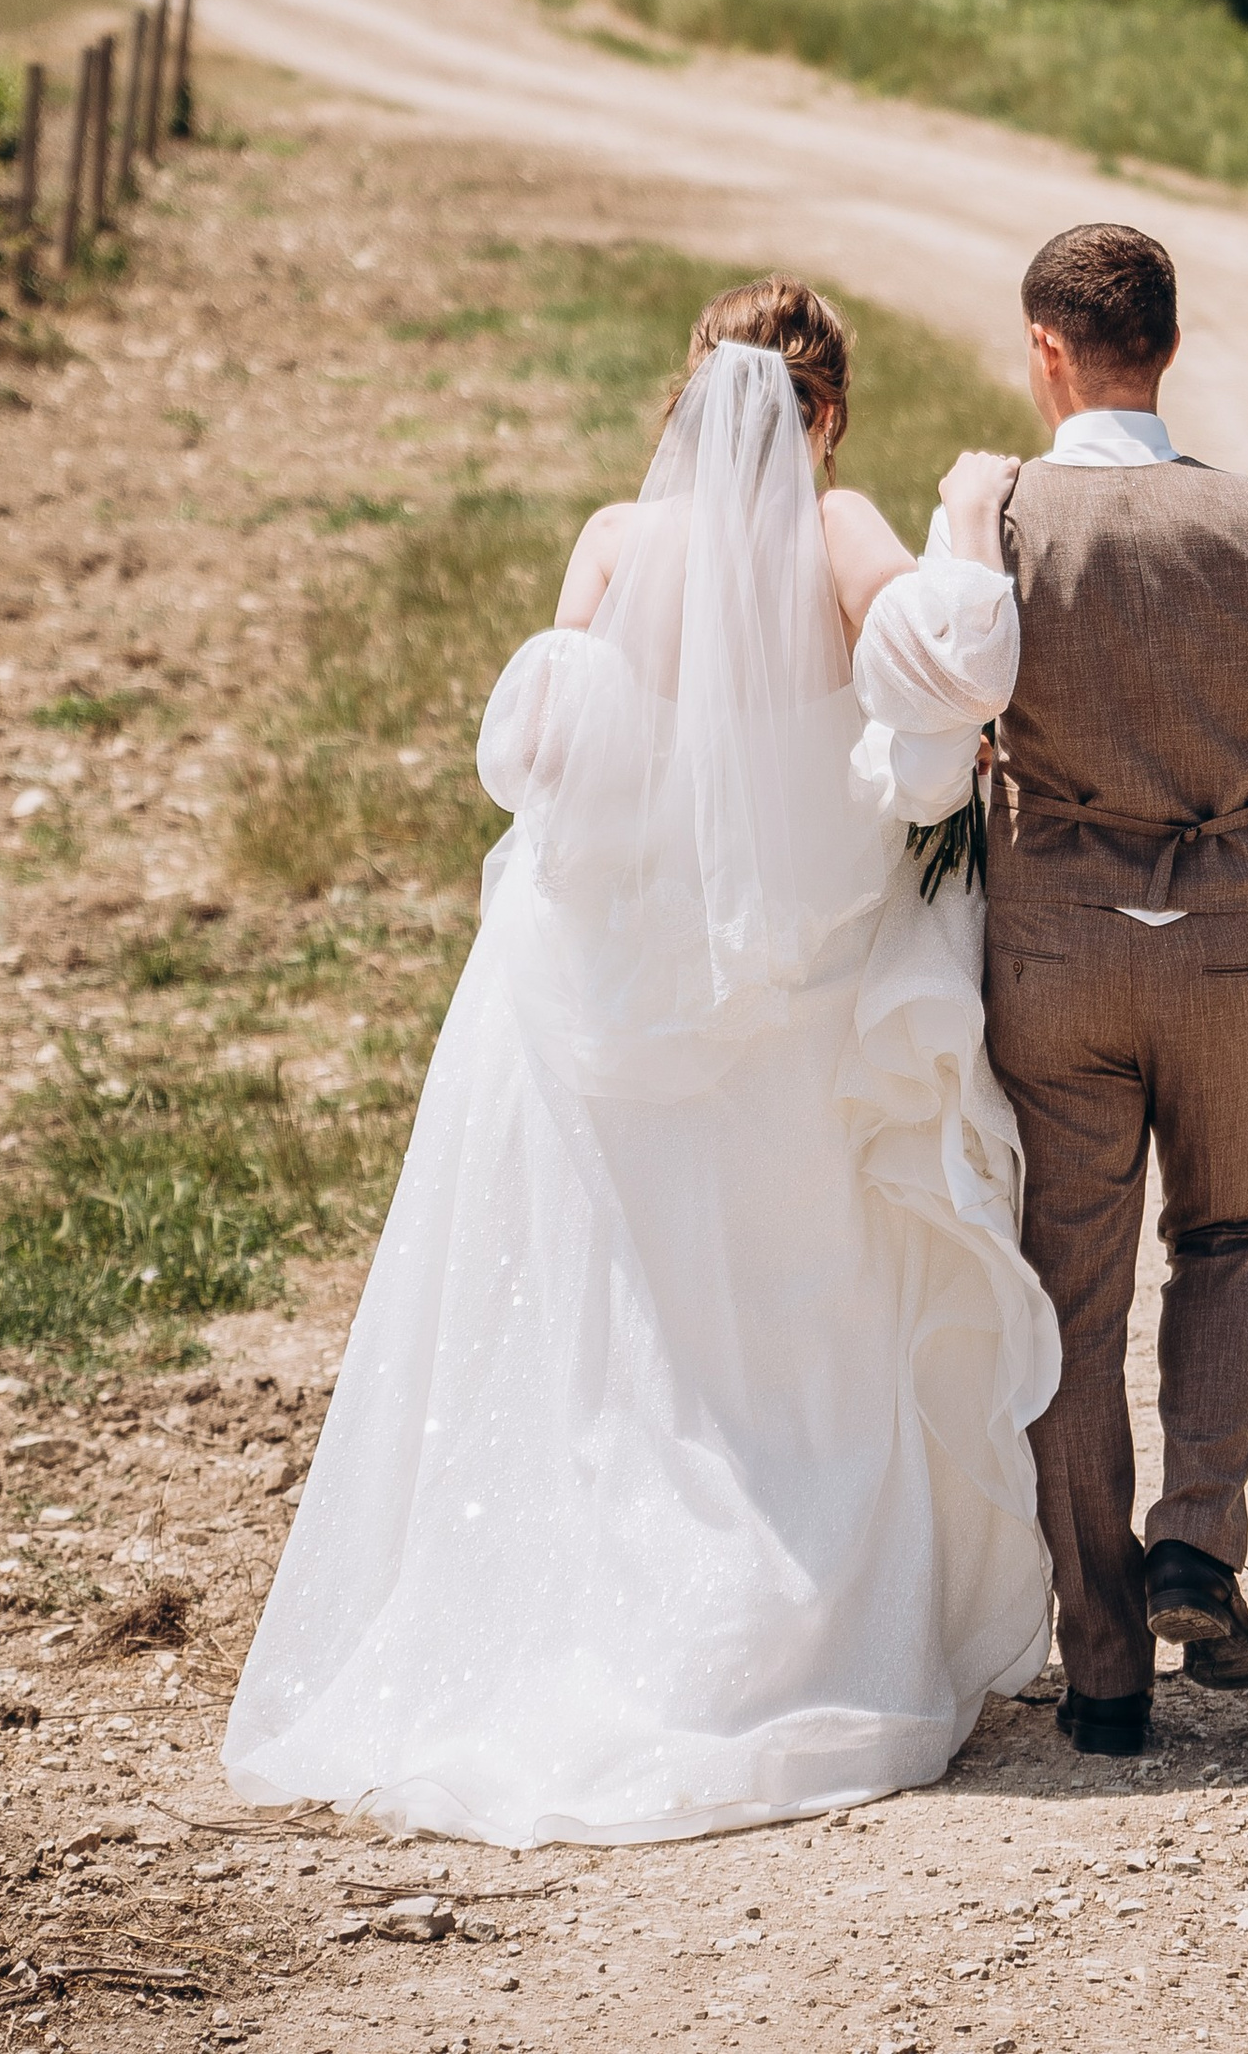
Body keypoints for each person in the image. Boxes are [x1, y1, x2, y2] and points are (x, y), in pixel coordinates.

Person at [221, 279, 1059, 1846]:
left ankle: (560, 1597)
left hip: (614, 995)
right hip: (795, 996)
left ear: (694, 393)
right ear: (824, 415)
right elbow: (950, 658)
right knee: (793, 1296)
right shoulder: (836, 533)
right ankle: (797, 1610)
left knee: (607, 1298)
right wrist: (967, 520)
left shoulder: (616, 539)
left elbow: (546, 752)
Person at [908, 220, 1248, 1759]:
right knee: (1231, 1235)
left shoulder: (999, 518)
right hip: (1225, 951)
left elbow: (938, 732)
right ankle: (1199, 1536)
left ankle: (1106, 1669)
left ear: (1045, 354)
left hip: (1059, 958)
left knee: (1073, 1297)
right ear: (1172, 350)